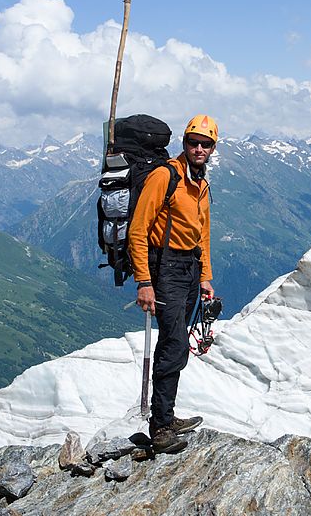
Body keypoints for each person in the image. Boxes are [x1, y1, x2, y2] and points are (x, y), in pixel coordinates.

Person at [128, 113, 217, 453]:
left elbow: (202, 234)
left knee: (176, 343)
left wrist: (205, 275)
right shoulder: (164, 176)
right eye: (193, 142)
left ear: (212, 148)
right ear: (183, 142)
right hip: (164, 269)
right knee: (174, 345)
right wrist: (144, 282)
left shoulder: (200, 183)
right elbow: (138, 229)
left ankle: (167, 415)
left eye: (205, 144)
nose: (198, 148)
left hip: (189, 270)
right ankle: (160, 426)